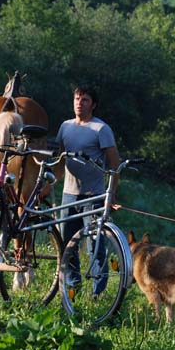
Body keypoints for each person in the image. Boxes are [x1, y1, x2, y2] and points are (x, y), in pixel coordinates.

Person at [56, 84, 121, 295]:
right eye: (76, 99)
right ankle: (73, 288)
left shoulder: (101, 129)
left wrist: (110, 196)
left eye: (84, 100)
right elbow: (59, 159)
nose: (79, 103)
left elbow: (114, 164)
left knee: (95, 245)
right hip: (69, 195)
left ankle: (98, 293)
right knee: (67, 245)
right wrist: (48, 186)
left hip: (93, 196)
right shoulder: (65, 126)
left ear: (93, 105)